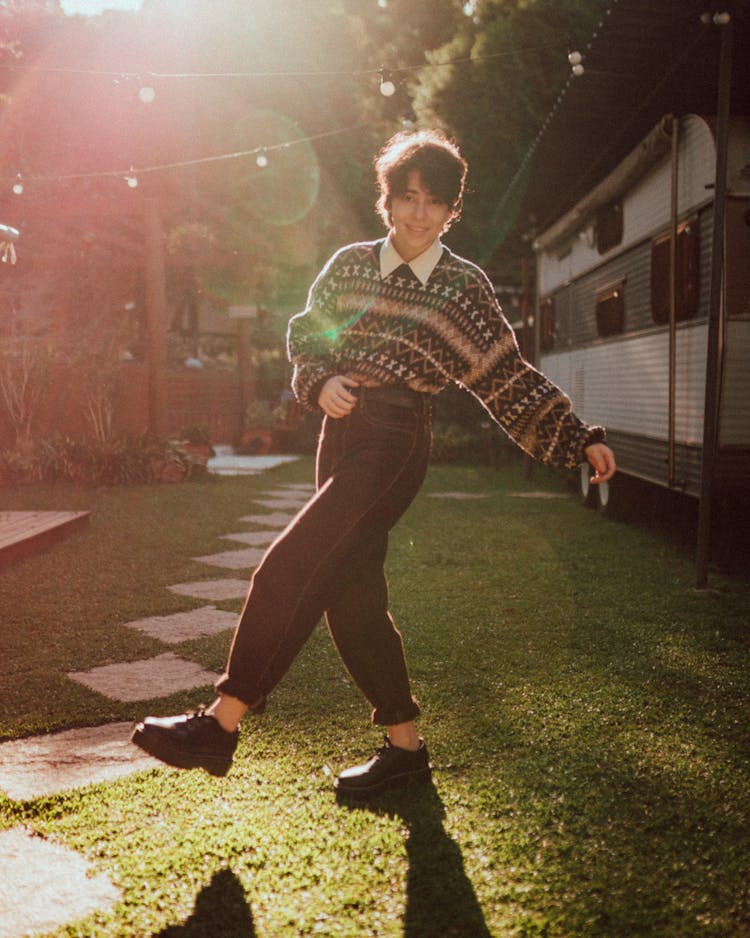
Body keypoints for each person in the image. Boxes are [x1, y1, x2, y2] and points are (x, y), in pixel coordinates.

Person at [132, 129, 616, 796]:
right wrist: (318, 381)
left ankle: (222, 721)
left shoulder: (462, 288)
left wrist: (575, 435)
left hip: (393, 442)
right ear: (387, 200)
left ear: (452, 210)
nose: (420, 212)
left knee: (290, 566)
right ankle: (405, 751)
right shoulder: (352, 265)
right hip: (340, 436)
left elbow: (505, 377)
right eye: (408, 196)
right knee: (353, 601)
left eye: (435, 201)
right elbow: (307, 336)